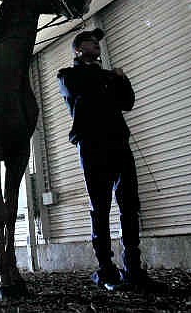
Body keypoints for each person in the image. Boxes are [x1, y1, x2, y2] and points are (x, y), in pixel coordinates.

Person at [57, 28, 163, 291]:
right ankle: (105, 268)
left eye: (97, 43)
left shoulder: (108, 76)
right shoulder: (68, 76)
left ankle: (133, 267)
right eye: (91, 43)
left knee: (129, 202)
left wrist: (122, 80)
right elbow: (81, 94)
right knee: (100, 206)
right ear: (78, 50)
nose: (97, 46)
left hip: (119, 142)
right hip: (92, 144)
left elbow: (127, 103)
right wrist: (109, 79)